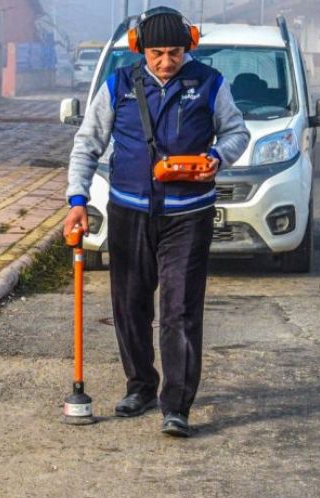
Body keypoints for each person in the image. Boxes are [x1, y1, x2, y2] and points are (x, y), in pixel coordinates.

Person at [64, 7, 250, 437]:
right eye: (157, 53)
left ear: (189, 47)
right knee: (129, 305)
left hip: (189, 215)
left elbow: (236, 132)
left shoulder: (209, 83)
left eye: (175, 53)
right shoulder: (120, 85)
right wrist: (76, 200)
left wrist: (217, 159)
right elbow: (87, 144)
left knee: (179, 310)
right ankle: (141, 385)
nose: (166, 62)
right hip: (129, 211)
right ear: (139, 49)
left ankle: (177, 405)